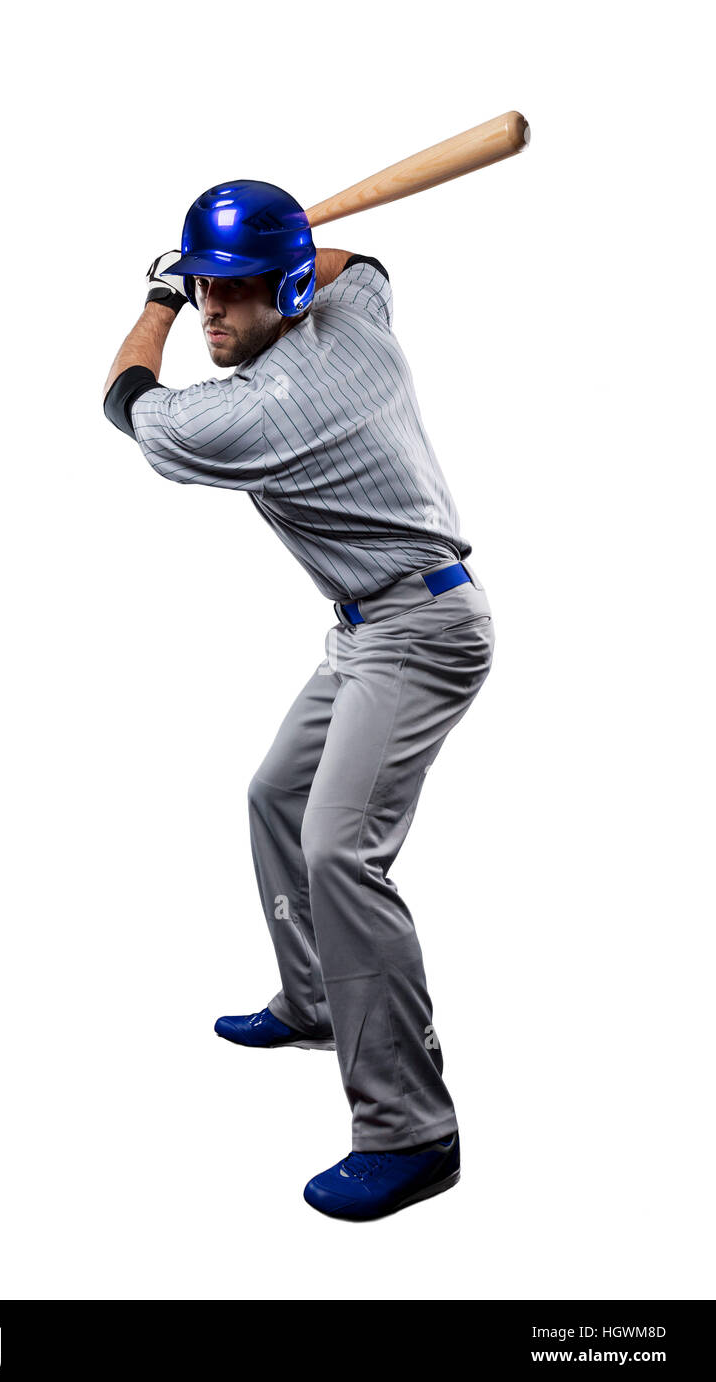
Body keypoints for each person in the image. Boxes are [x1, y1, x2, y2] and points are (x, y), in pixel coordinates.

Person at [103, 180, 495, 1221]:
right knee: (274, 794)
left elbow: (125, 401)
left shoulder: (255, 410)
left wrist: (157, 298)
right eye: (201, 290)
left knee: (337, 849)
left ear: (277, 286)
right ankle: (317, 997)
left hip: (420, 635)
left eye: (230, 294)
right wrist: (272, 250)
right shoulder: (353, 317)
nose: (213, 313)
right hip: (369, 626)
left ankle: (410, 1129)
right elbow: (356, 266)